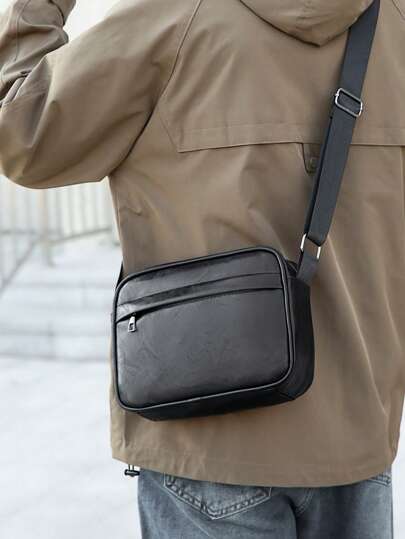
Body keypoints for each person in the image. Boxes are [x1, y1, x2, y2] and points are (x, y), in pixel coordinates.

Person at [0, 0, 403, 537]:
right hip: (358, 434)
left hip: (208, 432)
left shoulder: (171, 17)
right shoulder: (392, 23)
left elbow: (20, 131)